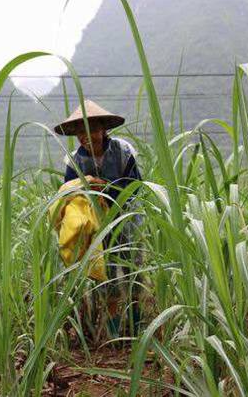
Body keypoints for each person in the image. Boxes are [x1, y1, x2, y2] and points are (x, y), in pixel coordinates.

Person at [54, 99, 143, 339]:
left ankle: (136, 325)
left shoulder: (124, 151)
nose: (86, 136)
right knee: (107, 274)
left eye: (91, 129)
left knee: (134, 269)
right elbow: (69, 192)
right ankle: (113, 332)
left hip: (126, 219)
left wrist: (108, 189)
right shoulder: (74, 161)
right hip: (96, 224)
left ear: (103, 129)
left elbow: (134, 185)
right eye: (80, 131)